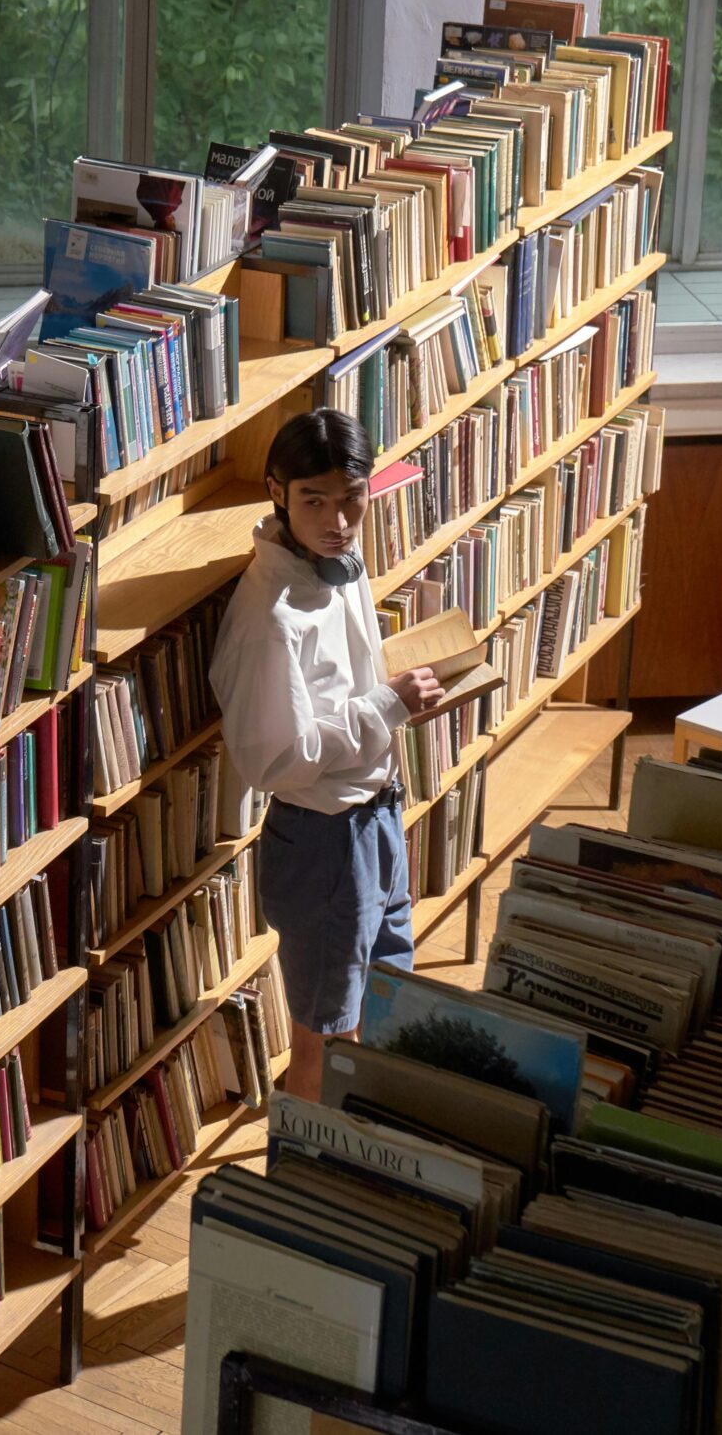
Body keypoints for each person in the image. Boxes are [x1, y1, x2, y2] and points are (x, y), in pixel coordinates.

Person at [210, 407, 443, 1097]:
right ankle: (303, 1188)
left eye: (351, 498)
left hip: (376, 820)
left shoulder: (339, 562)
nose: (338, 520)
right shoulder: (270, 618)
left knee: (381, 1004)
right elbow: (274, 761)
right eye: (315, 500)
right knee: (321, 1042)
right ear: (277, 492)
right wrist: (388, 706)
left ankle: (355, 1157)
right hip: (322, 843)